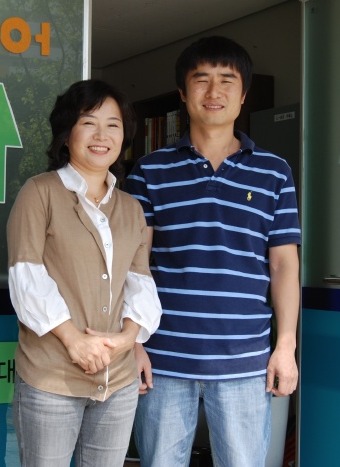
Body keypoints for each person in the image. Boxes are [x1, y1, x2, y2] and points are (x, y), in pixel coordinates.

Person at [124, 36, 301, 467]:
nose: (214, 91)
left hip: (245, 362)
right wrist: (133, 344)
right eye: (201, 80)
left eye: (227, 80)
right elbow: (133, 263)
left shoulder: (274, 172)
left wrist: (285, 346)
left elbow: (284, 265)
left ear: (243, 95)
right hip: (163, 360)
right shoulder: (150, 170)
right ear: (183, 94)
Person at [7, 79, 162, 467]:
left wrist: (128, 339)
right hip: (52, 376)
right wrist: (74, 341)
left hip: (118, 381)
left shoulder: (130, 208)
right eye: (88, 122)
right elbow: (26, 275)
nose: (102, 135)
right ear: (67, 132)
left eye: (113, 125)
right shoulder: (39, 193)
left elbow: (140, 282)